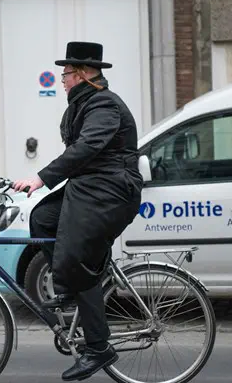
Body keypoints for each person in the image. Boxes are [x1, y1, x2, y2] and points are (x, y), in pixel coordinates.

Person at [12, 41, 143, 381]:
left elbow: (86, 148)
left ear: (84, 74)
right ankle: (68, 287)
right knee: (42, 218)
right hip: (90, 187)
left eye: (66, 74)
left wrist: (41, 178)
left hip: (112, 190)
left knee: (78, 257)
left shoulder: (104, 105)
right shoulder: (83, 103)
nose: (62, 80)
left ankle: (98, 347)